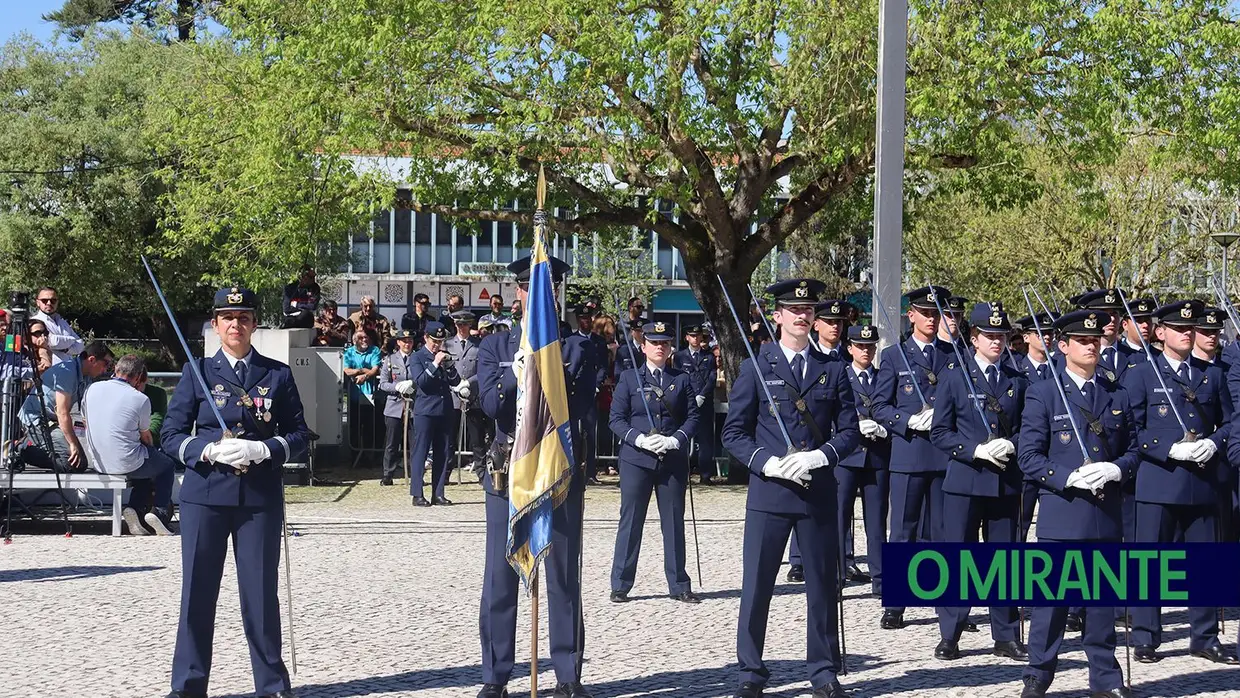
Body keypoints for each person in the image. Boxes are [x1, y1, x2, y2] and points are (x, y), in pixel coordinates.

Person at [160, 286, 309, 698]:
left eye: (244, 318)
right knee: (197, 593)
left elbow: (300, 434)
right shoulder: (197, 372)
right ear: (215, 324)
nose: (236, 325)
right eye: (228, 318)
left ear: (254, 324)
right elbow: (170, 435)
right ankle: (188, 686)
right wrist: (205, 449)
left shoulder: (277, 374)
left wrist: (264, 449)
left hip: (258, 499)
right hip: (205, 496)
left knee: (260, 596)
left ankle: (272, 685)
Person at [721, 278, 860, 698]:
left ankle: (823, 670)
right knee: (757, 586)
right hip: (770, 493)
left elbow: (849, 432)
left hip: (817, 492)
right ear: (777, 316)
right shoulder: (756, 367)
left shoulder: (832, 368)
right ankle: (750, 671)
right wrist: (768, 463)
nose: (802, 315)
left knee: (822, 586)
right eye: (794, 310)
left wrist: (821, 456)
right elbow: (733, 433)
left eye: (808, 310)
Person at [476, 254, 590, 698]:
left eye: (548, 288)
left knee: (562, 576)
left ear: (555, 293)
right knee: (500, 575)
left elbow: (581, 408)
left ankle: (567, 673)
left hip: (557, 472)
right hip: (509, 471)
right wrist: (517, 375)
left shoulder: (577, 347)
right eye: (530, 288)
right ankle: (495, 675)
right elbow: (491, 405)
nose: (539, 295)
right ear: (519, 292)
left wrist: (548, 370)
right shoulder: (496, 346)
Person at [1017, 309, 1138, 698]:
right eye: (1082, 341)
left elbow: (1134, 449)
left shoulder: (1115, 394)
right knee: (1051, 607)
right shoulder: (1044, 393)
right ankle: (1038, 675)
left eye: (1095, 340)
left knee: (1101, 607)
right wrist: (1067, 476)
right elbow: (1029, 456)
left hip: (1104, 516)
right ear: (1063, 346)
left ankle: (1106, 679)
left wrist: (1116, 469)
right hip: (1063, 514)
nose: (1091, 346)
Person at [1123, 299, 1238, 665]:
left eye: (1191, 328)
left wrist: (1213, 443)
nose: (1187, 334)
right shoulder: (1142, 374)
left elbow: (1230, 422)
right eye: (1179, 329)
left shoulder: (1211, 374)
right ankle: (1145, 637)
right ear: (1161, 333)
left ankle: (1204, 636)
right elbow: (1131, 428)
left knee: (1205, 563)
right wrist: (1166, 449)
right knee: (1150, 564)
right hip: (1159, 480)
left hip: (1202, 481)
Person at [929, 303, 1028, 662]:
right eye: (989, 335)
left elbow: (1029, 428)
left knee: (1005, 561)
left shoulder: (1018, 380)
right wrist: (973, 450)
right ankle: (950, 633)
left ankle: (1006, 635)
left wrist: (1012, 444)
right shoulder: (956, 378)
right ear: (974, 337)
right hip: (965, 481)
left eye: (1001, 335)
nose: (996, 341)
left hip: (1005, 482)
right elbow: (940, 431)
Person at [871, 285, 954, 631]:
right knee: (903, 532)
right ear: (912, 315)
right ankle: (896, 603)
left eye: (936, 314)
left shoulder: (953, 354)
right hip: (909, 454)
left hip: (945, 455)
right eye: (926, 313)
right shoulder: (895, 356)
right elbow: (879, 405)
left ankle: (948, 607)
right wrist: (906, 421)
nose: (932, 319)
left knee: (944, 534)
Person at [608, 320, 701, 604]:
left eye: (665, 343)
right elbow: (616, 419)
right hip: (637, 459)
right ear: (644, 346)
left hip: (671, 460)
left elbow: (693, 417)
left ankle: (679, 584)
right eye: (654, 343)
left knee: (673, 522)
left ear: (671, 347)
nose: (660, 347)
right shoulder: (629, 378)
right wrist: (638, 439)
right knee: (631, 520)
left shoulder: (681, 379)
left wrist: (676, 440)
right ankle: (620, 583)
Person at [82, 354, 177, 536]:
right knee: (165, 466)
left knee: (144, 463)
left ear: (116, 369)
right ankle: (160, 513)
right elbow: (146, 436)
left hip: (98, 462)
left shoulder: (91, 389)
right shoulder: (140, 398)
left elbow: (86, 421)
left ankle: (135, 509)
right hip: (127, 461)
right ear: (139, 376)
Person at [838, 324, 890, 597]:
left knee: (877, 521)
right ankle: (836, 576)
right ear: (850, 348)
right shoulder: (841, 375)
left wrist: (885, 428)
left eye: (870, 346)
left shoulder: (883, 377)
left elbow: (892, 409)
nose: (866, 351)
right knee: (839, 517)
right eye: (860, 346)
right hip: (847, 457)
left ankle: (881, 580)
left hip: (877, 456)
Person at [19, 340, 114, 472]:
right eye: (106, 364)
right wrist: (73, 443)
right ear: (92, 360)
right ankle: (20, 450)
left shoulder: (85, 376)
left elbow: (87, 410)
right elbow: (62, 412)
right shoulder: (67, 372)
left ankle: (34, 446)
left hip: (52, 420)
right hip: (36, 419)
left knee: (80, 463)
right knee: (70, 464)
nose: (106, 369)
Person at [408, 321, 469, 506]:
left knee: (442, 452)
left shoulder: (444, 356)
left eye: (440, 341)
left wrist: (449, 366)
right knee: (421, 452)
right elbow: (422, 382)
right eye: (434, 341)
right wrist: (435, 363)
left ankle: (438, 493)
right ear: (426, 337)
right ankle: (417, 494)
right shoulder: (417, 357)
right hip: (425, 411)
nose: (437, 345)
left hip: (444, 410)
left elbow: (455, 382)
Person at [564, 303, 607, 485]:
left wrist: (597, 385)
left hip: (590, 392)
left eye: (588, 318)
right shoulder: (569, 340)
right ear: (577, 320)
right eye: (582, 318)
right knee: (573, 433)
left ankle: (590, 472)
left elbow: (603, 366)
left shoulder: (599, 342)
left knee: (590, 434)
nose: (586, 321)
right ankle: (573, 470)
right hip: (574, 393)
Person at [674, 325, 718, 485]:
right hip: (686, 402)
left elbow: (712, 378)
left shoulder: (709, 357)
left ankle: (705, 475)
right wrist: (690, 397)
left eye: (698, 335)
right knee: (683, 437)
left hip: (704, 402)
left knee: (705, 439)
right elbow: (678, 378)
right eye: (692, 336)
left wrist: (702, 395)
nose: (695, 338)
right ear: (687, 337)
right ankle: (682, 473)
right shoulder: (679, 356)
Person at [445, 310, 483, 478]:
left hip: (473, 398)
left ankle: (481, 474)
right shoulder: (447, 344)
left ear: (470, 325)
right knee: (449, 439)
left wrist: (469, 383)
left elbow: (483, 370)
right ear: (455, 325)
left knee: (477, 439)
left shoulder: (479, 344)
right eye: (459, 324)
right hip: (453, 397)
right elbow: (443, 368)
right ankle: (445, 474)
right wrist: (454, 385)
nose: (462, 328)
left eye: (465, 324)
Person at [377, 329, 417, 486]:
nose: (407, 344)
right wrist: (397, 386)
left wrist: (412, 385)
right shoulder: (390, 359)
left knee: (415, 443)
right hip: (394, 406)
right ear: (398, 342)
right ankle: (388, 474)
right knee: (392, 443)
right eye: (404, 341)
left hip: (413, 406)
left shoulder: (417, 359)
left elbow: (423, 379)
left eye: (410, 341)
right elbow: (383, 384)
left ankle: (416, 474)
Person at [343, 329, 382, 458]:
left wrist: (365, 376)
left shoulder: (374, 350)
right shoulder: (349, 352)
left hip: (371, 396)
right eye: (361, 338)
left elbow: (375, 369)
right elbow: (346, 370)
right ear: (355, 341)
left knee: (370, 428)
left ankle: (368, 457)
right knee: (354, 427)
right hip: (354, 396)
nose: (365, 340)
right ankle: (354, 457)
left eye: (366, 337)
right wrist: (362, 370)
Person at [29, 286, 84, 365]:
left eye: (53, 300)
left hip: (68, 368)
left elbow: (80, 345)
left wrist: (65, 349)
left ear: (57, 302)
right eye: (44, 300)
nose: (49, 303)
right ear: (37, 302)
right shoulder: (35, 322)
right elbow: (53, 341)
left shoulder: (62, 322)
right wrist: (72, 340)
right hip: (49, 369)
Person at [281, 265, 320, 329]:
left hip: (306, 317)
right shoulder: (289, 288)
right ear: (302, 277)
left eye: (314, 277)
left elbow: (312, 306)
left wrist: (296, 304)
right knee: (289, 320)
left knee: (305, 314)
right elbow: (286, 309)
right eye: (311, 277)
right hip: (291, 317)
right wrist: (303, 306)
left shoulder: (315, 288)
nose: (313, 279)